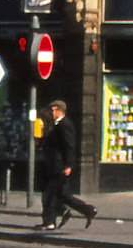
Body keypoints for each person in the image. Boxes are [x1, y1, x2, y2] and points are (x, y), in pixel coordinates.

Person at [38, 98, 97, 231]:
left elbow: (69, 146)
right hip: (54, 165)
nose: (50, 112)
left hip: (59, 166)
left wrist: (69, 165)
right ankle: (86, 210)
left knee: (50, 194)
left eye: (52, 110)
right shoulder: (57, 124)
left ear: (58, 110)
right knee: (59, 194)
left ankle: (51, 220)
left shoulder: (65, 125)